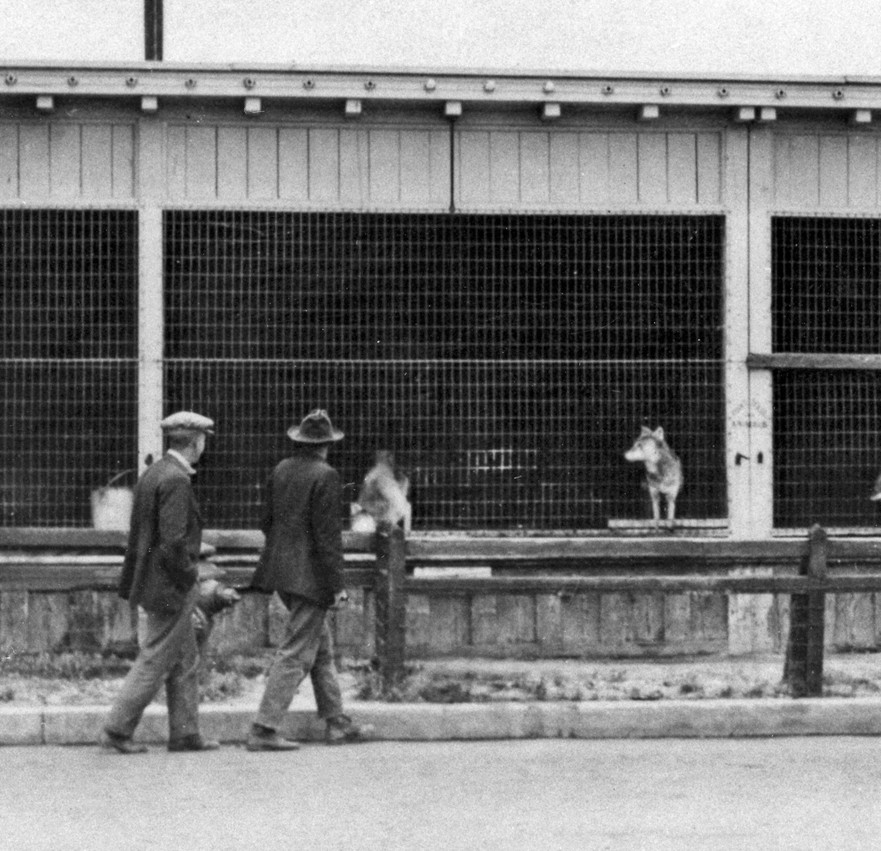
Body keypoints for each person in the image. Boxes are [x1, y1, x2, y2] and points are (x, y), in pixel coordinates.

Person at [247, 409, 373, 751]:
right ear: (326, 445)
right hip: (311, 580)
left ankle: (336, 723)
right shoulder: (327, 476)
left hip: (280, 574)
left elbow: (265, 521)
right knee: (295, 654)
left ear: (300, 441)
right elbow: (327, 539)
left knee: (321, 650)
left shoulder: (281, 470)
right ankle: (263, 728)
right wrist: (338, 589)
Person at [101, 411, 220, 754]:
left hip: (153, 582)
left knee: (184, 657)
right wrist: (190, 575)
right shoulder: (178, 480)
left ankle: (185, 734)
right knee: (155, 657)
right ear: (196, 442)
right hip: (170, 585)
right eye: (203, 440)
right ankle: (116, 731)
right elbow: (172, 541)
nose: (203, 446)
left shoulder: (154, 473)